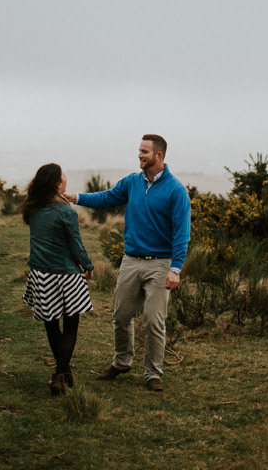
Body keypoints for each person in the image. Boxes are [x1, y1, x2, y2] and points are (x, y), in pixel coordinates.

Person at [64, 134, 190, 392]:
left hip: (161, 264)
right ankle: (122, 362)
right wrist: (73, 197)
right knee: (121, 316)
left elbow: (181, 233)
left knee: (154, 321)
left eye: (145, 151)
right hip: (131, 261)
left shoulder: (176, 191)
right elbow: (106, 199)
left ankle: (153, 374)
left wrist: (175, 269)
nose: (140, 155)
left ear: (159, 156)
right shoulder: (132, 182)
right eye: (139, 151)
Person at [20, 162, 94, 395]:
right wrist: (88, 266)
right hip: (66, 276)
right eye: (63, 178)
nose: (66, 181)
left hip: (40, 274)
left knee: (51, 325)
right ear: (56, 184)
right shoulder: (66, 212)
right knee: (71, 325)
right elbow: (76, 246)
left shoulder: (33, 209)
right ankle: (58, 375)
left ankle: (64, 371)